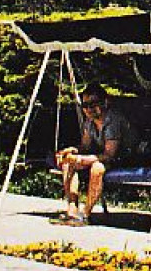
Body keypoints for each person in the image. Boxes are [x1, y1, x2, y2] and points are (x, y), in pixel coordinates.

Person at [56, 85, 132, 225]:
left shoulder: (112, 121)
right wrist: (71, 151)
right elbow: (85, 146)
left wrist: (81, 159)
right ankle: (72, 209)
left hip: (127, 157)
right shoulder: (89, 122)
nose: (88, 109)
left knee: (97, 168)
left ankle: (85, 214)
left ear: (105, 103)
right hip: (105, 155)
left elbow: (109, 155)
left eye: (93, 104)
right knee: (68, 163)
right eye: (85, 105)